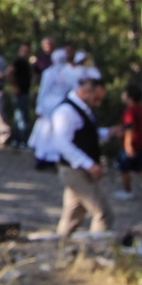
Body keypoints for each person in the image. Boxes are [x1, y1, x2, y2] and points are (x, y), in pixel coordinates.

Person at [51, 72, 114, 239]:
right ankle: (97, 247)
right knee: (103, 213)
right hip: (74, 169)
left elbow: (86, 135)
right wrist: (89, 164)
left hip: (80, 168)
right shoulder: (65, 111)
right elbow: (62, 143)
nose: (98, 104)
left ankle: (60, 243)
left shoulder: (84, 110)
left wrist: (109, 133)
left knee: (74, 214)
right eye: (96, 99)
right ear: (85, 92)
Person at [29, 48, 75, 169]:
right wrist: (39, 108)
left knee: (56, 132)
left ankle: (52, 158)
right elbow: (44, 91)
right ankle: (44, 157)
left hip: (57, 106)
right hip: (53, 106)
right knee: (47, 132)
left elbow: (43, 92)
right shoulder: (56, 73)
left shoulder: (67, 73)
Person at [111, 84, 142, 200]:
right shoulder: (141, 108)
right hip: (141, 142)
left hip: (131, 144)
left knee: (124, 168)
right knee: (140, 167)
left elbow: (129, 127)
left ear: (129, 97)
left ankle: (127, 190)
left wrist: (127, 145)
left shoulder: (130, 110)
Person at [8, 43, 33, 147]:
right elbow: (9, 72)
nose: (25, 52)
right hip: (20, 93)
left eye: (27, 50)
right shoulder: (18, 61)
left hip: (24, 92)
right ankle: (22, 141)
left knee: (19, 117)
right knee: (22, 117)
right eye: (23, 50)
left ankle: (16, 140)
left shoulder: (26, 62)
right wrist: (15, 86)